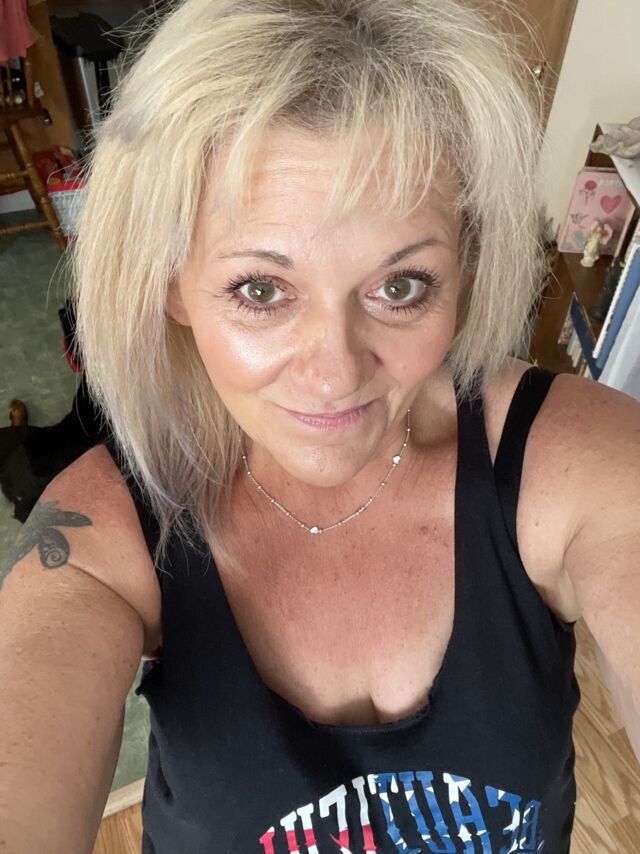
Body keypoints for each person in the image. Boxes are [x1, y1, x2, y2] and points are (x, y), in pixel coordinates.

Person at [1, 1, 638, 852]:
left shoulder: (578, 466)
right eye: (260, 290)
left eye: (401, 286)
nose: (337, 373)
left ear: (466, 267)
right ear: (169, 282)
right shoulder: (100, 539)